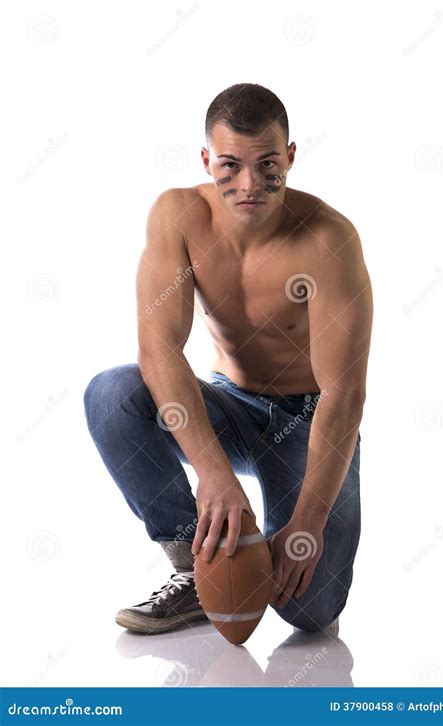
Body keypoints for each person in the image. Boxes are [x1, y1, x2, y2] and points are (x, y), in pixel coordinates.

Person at [83, 83, 373, 637]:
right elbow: (158, 349)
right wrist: (215, 475)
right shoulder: (179, 215)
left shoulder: (328, 239)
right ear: (206, 160)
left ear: (290, 156)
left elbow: (346, 394)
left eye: (267, 164)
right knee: (111, 395)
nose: (248, 184)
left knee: (311, 613)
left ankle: (257, 547)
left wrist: (307, 519)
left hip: (308, 420)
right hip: (229, 406)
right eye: (230, 165)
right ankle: (199, 566)